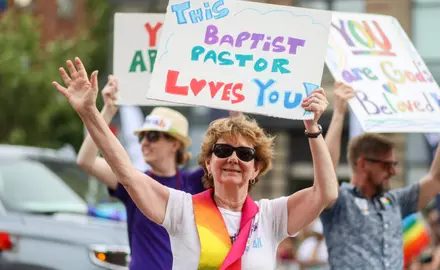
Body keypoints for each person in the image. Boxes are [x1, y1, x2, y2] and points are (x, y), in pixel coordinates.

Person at [53, 57, 338, 269]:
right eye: (223, 150)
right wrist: (91, 112)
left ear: (257, 168)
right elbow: (126, 173)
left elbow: (325, 193)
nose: (234, 159)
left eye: (246, 154)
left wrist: (313, 128)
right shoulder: (182, 208)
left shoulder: (270, 216)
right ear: (208, 163)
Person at [73, 74, 205, 269]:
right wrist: (107, 110)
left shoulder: (193, 182)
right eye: (142, 137)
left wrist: (236, 115)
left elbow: (235, 163)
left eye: (152, 136)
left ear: (175, 144)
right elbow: (86, 160)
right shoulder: (134, 181)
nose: (144, 143)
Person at [321, 81, 440, 269]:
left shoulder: (395, 201)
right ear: (363, 164)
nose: (394, 171)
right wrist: (339, 113)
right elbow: (324, 172)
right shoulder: (340, 201)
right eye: (387, 165)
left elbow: (436, 178)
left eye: (394, 164)